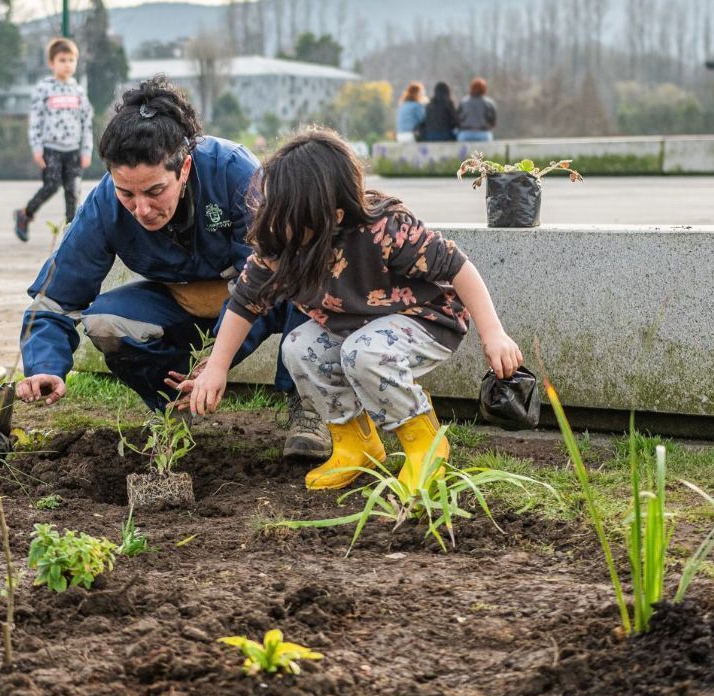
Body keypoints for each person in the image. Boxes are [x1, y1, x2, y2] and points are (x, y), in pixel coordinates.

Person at [176, 128, 523, 493]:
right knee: (298, 347)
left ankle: (426, 448)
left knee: (364, 352)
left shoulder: (384, 229)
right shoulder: (280, 245)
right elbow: (245, 303)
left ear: (334, 215)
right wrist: (216, 368)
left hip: (425, 321)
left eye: (289, 215)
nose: (276, 224)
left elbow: (458, 267)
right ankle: (356, 445)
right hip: (354, 329)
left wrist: (494, 334)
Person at [16, 76, 332, 460]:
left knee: (310, 274)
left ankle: (309, 404)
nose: (142, 209)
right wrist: (45, 365)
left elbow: (271, 275)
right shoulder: (104, 204)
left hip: (266, 295)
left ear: (183, 169)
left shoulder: (236, 174)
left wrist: (217, 360)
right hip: (184, 304)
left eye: (154, 191)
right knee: (105, 321)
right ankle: (171, 404)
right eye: (126, 193)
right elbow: (54, 297)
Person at [14, 37, 94, 243]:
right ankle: (25, 214)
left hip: (74, 150)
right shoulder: (44, 89)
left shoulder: (78, 91)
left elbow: (86, 121)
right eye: (62, 60)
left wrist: (86, 150)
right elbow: (36, 120)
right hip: (51, 149)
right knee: (51, 184)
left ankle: (72, 236)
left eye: (71, 60)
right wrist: (37, 147)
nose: (67, 65)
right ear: (52, 63)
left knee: (73, 192)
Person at [457, 77, 497, 142]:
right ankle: (479, 153)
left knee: (465, 151)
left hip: (466, 134)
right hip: (483, 134)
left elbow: (458, 119)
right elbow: (493, 121)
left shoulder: (463, 102)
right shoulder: (489, 103)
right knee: (482, 152)